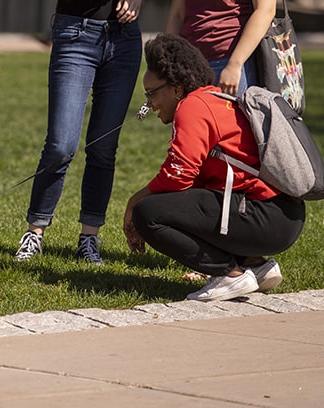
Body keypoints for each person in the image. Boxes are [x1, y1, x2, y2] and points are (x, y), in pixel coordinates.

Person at [14, 0, 144, 265]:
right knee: (62, 144)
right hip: (75, 36)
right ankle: (36, 229)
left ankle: (89, 235)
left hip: (124, 41)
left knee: (103, 147)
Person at [123, 34, 305, 301]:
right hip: (281, 214)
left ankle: (229, 275)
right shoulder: (211, 98)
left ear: (176, 88)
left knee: (148, 213)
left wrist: (132, 203)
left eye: (151, 94)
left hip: (268, 216)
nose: (149, 104)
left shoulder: (193, 107)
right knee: (181, 205)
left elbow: (178, 176)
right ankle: (255, 265)